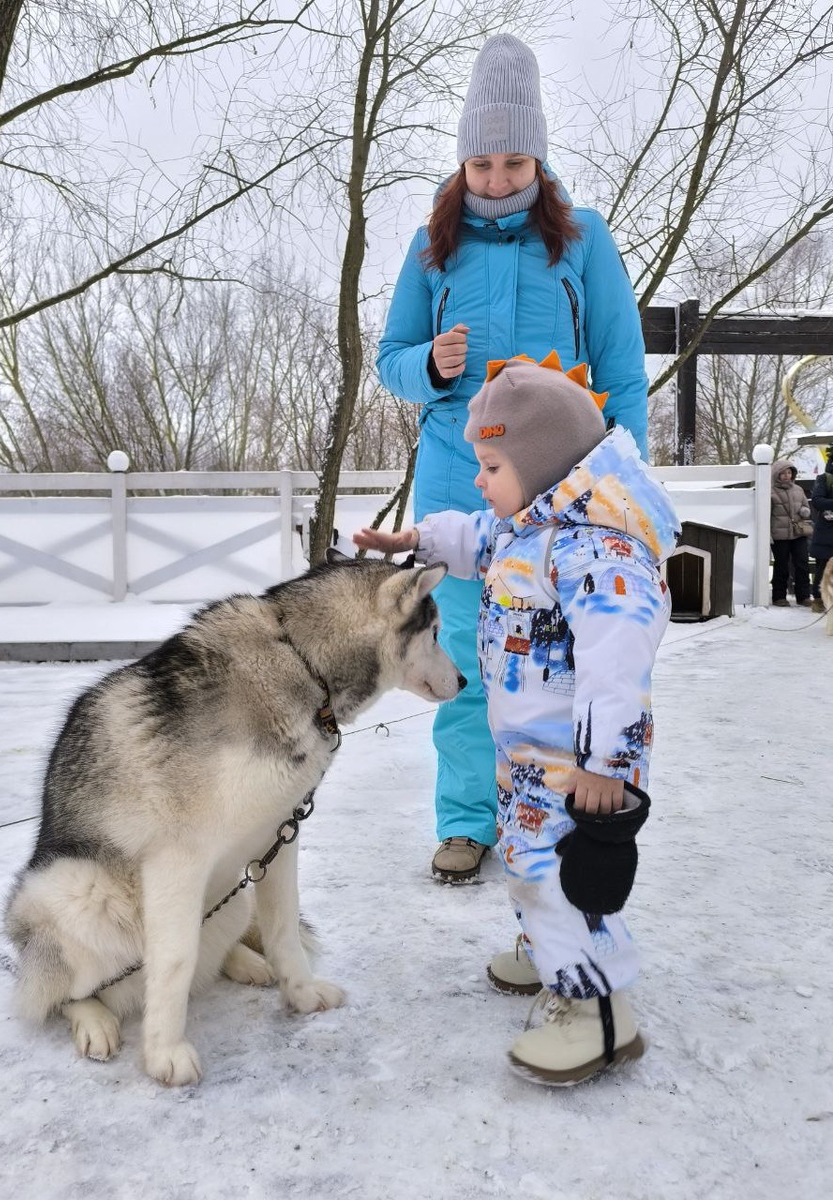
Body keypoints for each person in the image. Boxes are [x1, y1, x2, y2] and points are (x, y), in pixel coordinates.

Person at [354, 355, 679, 1085]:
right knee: (532, 864)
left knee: (561, 871)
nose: (480, 479)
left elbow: (617, 663)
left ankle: (597, 1007)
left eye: (492, 463)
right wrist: (415, 543)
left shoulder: (599, 548)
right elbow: (475, 536)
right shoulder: (529, 526)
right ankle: (546, 946)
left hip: (578, 764)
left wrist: (607, 766)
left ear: (540, 465)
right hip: (529, 751)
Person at [376, 34, 649, 883]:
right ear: (462, 163)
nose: (496, 180)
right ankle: (466, 820)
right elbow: (389, 357)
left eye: (512, 161)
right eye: (482, 164)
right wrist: (429, 365)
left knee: (554, 660)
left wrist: (626, 492)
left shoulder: (584, 242)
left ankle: (560, 806)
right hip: (462, 480)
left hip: (565, 493)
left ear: (538, 156)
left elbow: (624, 372)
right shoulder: (433, 248)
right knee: (462, 652)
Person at [769, 459, 812, 607]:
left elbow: (806, 507)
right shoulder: (770, 491)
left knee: (802, 564)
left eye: (789, 472)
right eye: (783, 473)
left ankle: (804, 596)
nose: (787, 476)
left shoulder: (798, 490)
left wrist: (804, 511)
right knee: (781, 565)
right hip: (779, 535)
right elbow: (766, 514)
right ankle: (779, 596)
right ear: (777, 475)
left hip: (798, 533)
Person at [809, 447, 833, 613]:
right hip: (827, 532)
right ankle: (819, 600)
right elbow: (817, 500)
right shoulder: (825, 479)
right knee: (823, 566)